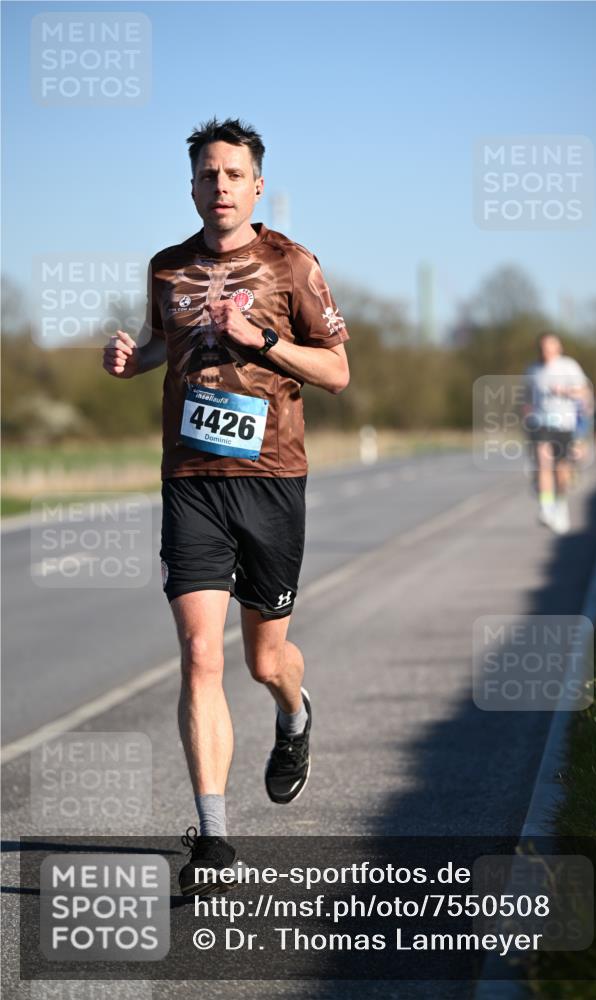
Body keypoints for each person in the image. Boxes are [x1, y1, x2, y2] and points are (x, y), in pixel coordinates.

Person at [102, 117, 349, 894]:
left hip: (271, 478)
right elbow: (162, 346)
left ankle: (293, 713)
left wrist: (261, 339)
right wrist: (131, 360)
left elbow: (336, 372)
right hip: (191, 481)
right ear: (192, 186)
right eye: (207, 174)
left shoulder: (292, 264)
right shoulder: (167, 268)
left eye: (233, 174)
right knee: (199, 653)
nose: (220, 186)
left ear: (256, 185)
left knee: (262, 660)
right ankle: (212, 839)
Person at [523, 332, 588, 535]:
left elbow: (584, 393)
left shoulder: (569, 366)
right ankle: (546, 507)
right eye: (543, 347)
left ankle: (560, 506)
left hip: (564, 423)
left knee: (561, 471)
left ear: (558, 348)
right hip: (540, 423)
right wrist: (526, 416)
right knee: (544, 461)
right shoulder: (532, 369)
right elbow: (527, 397)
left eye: (550, 346)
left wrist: (565, 391)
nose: (546, 351)